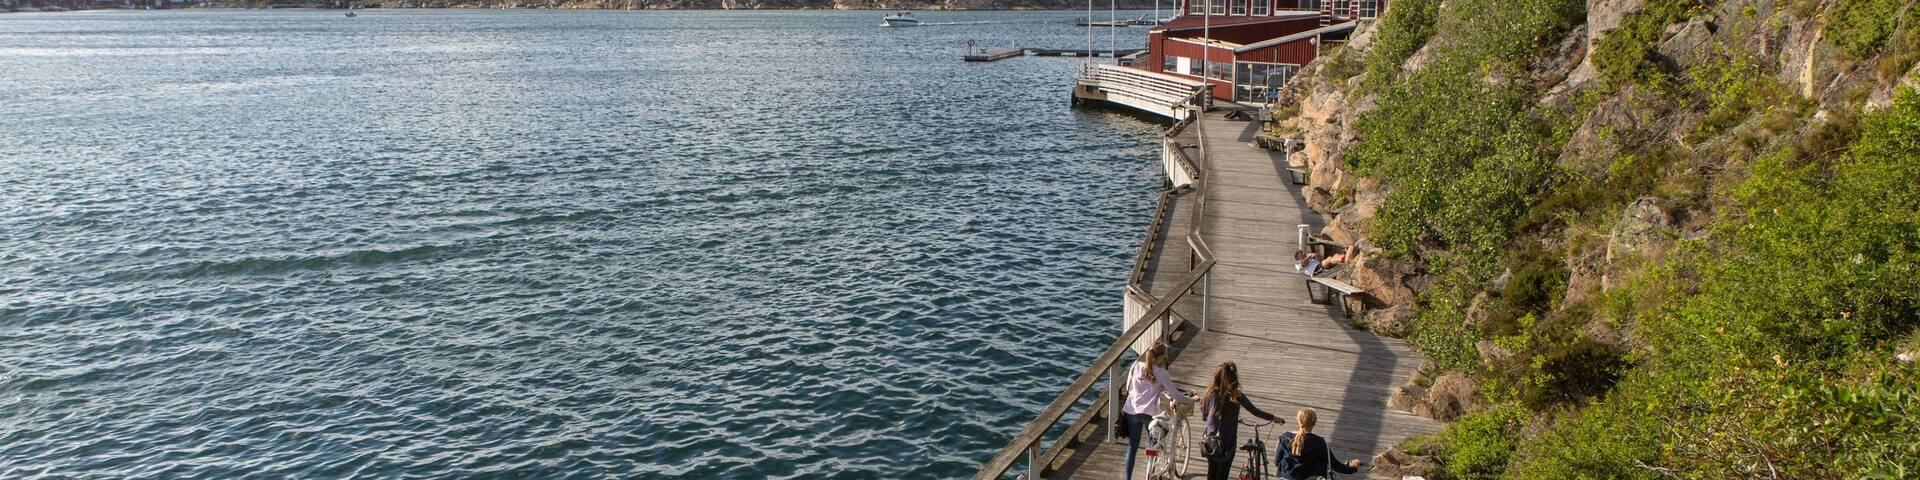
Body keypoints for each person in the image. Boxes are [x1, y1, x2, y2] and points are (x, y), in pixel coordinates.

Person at [1199, 362, 1283, 480]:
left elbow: (1204, 417)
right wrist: (1273, 418)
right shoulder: (1236, 396)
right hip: (1227, 444)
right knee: (1222, 475)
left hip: (1210, 442)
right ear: (1234, 378)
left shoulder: (1209, 393)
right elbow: (1254, 411)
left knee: (1211, 474)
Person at [1123, 340, 1192, 480]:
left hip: (1131, 411)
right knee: (1153, 446)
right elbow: (1176, 395)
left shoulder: (1136, 366)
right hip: (1149, 414)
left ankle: (1127, 478)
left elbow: (1127, 387)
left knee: (1132, 447)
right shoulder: (1161, 373)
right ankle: (1151, 475)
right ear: (1160, 357)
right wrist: (1192, 400)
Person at [1276, 408, 1362, 479]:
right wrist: (1353, 468)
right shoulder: (1319, 442)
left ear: (1298, 420)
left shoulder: (1284, 437)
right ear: (1314, 422)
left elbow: (1277, 462)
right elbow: (1335, 466)